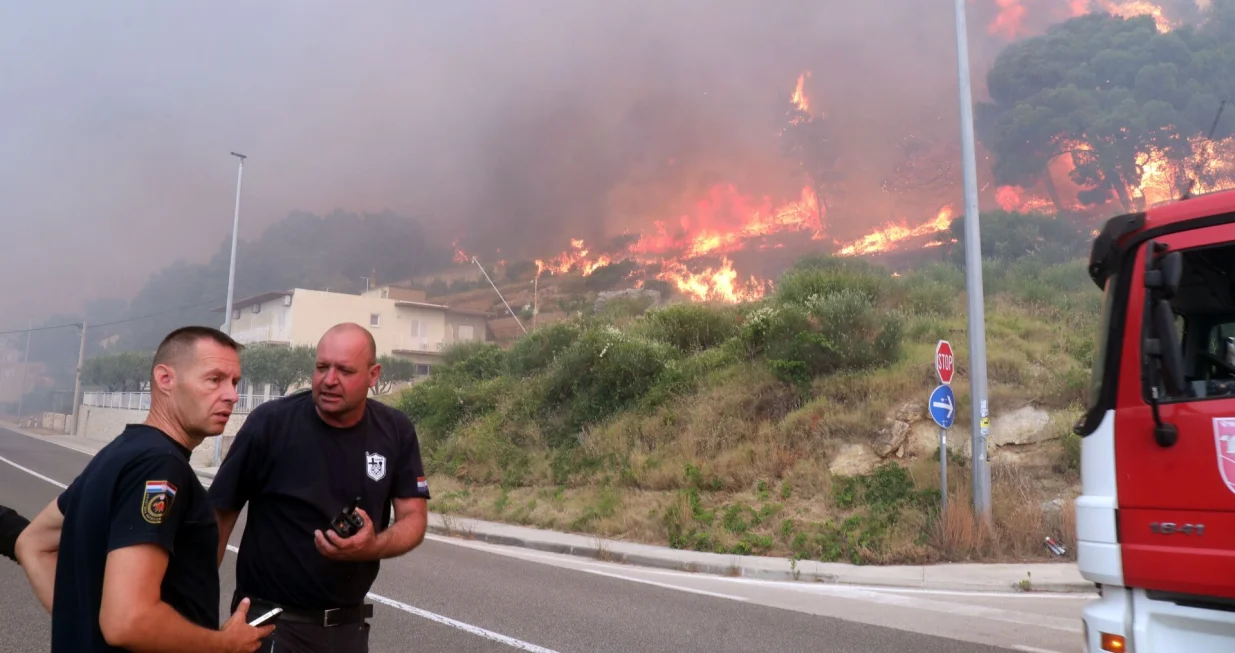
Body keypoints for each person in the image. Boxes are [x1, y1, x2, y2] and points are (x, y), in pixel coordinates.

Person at [14, 326, 275, 653]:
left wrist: (83, 628)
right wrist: (223, 645)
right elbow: (127, 621)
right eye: (214, 379)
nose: (232, 395)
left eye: (235, 382)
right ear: (165, 379)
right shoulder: (159, 468)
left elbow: (33, 543)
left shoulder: (119, 452)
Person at [210, 322, 430, 653]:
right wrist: (195, 616)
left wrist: (371, 546)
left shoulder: (395, 430)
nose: (328, 380)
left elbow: (414, 518)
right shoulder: (270, 424)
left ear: (373, 375)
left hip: (348, 630)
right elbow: (218, 517)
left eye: (344, 370)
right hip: (269, 626)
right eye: (322, 367)